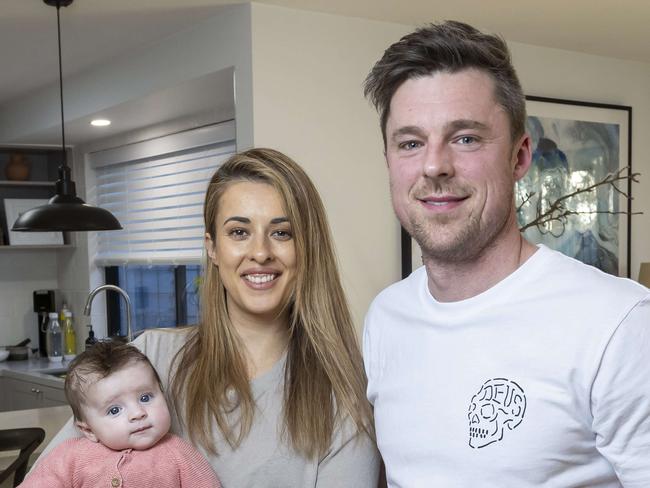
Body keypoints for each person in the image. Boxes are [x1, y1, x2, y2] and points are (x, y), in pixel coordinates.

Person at [362, 20, 650, 487]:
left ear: (519, 157)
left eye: (466, 138)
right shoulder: (385, 317)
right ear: (390, 161)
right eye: (411, 143)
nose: (435, 165)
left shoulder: (618, 324)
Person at [39, 148, 379, 487]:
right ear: (212, 247)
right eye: (239, 232)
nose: (260, 252)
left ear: (307, 248)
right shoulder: (148, 360)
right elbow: (53, 474)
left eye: (281, 233)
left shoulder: (342, 397)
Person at [21, 341, 221, 487]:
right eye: (114, 410)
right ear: (88, 430)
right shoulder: (70, 456)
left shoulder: (179, 453)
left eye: (145, 398)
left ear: (162, 393)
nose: (138, 413)